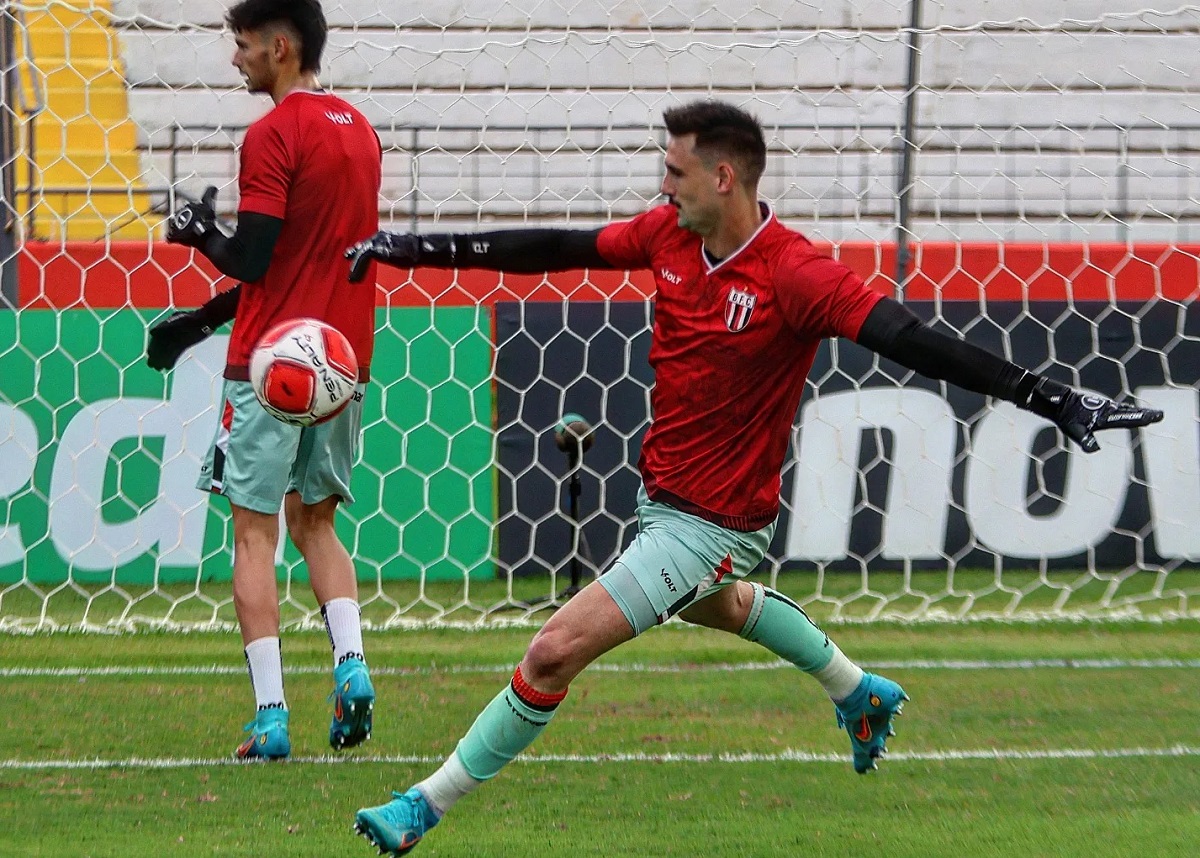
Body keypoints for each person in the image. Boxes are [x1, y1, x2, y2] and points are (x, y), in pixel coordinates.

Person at [343, 100, 1163, 854]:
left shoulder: (794, 273)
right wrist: (412, 248)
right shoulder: (668, 237)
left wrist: (1047, 395)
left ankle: (425, 805)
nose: (661, 185)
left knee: (554, 650)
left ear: (722, 176)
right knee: (725, 607)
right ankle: (858, 690)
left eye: (674, 171)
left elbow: (909, 337)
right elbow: (558, 249)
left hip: (716, 523)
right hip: (664, 502)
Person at [144, 0, 383, 760]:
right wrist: (200, 320)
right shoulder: (361, 132)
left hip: (271, 367)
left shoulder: (272, 135)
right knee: (319, 525)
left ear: (281, 47)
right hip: (341, 361)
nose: (235, 59)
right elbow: (299, 261)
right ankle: (351, 667)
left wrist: (199, 235)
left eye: (244, 45)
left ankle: (271, 717)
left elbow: (253, 259)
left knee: (254, 534)